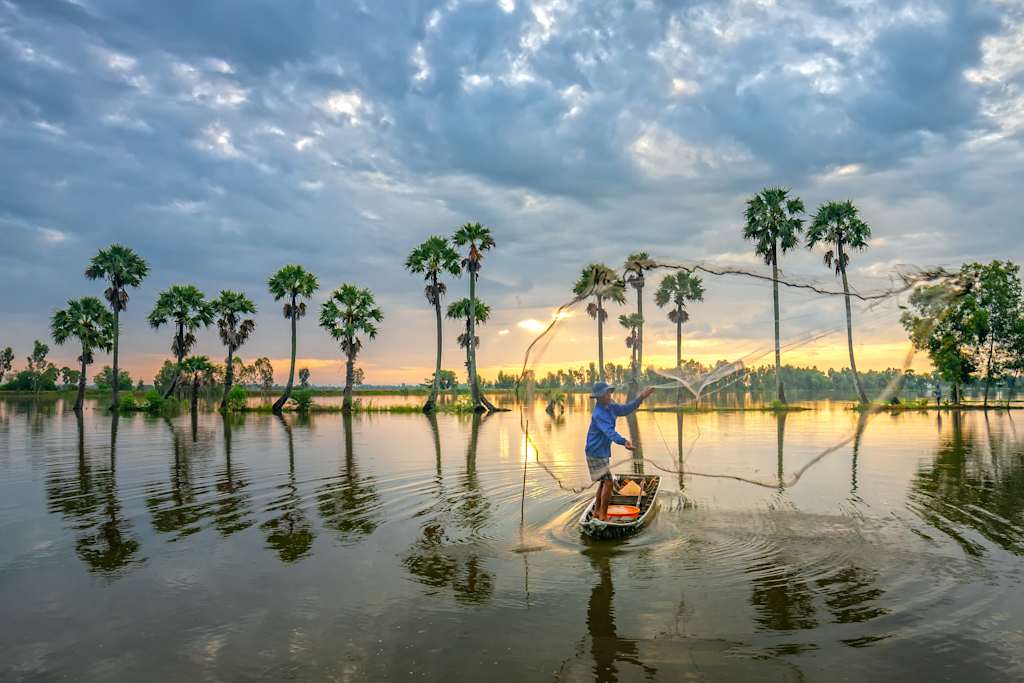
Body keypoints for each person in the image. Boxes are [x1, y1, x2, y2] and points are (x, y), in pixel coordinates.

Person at [585, 382, 655, 521]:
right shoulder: (599, 413)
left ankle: (597, 513)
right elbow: (609, 432)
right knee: (609, 482)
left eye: (609, 392)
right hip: (595, 452)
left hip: (602, 452)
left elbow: (626, 409)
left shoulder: (611, 407)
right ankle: (603, 516)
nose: (609, 395)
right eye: (606, 393)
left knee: (603, 482)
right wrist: (624, 441)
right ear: (599, 397)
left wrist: (641, 397)